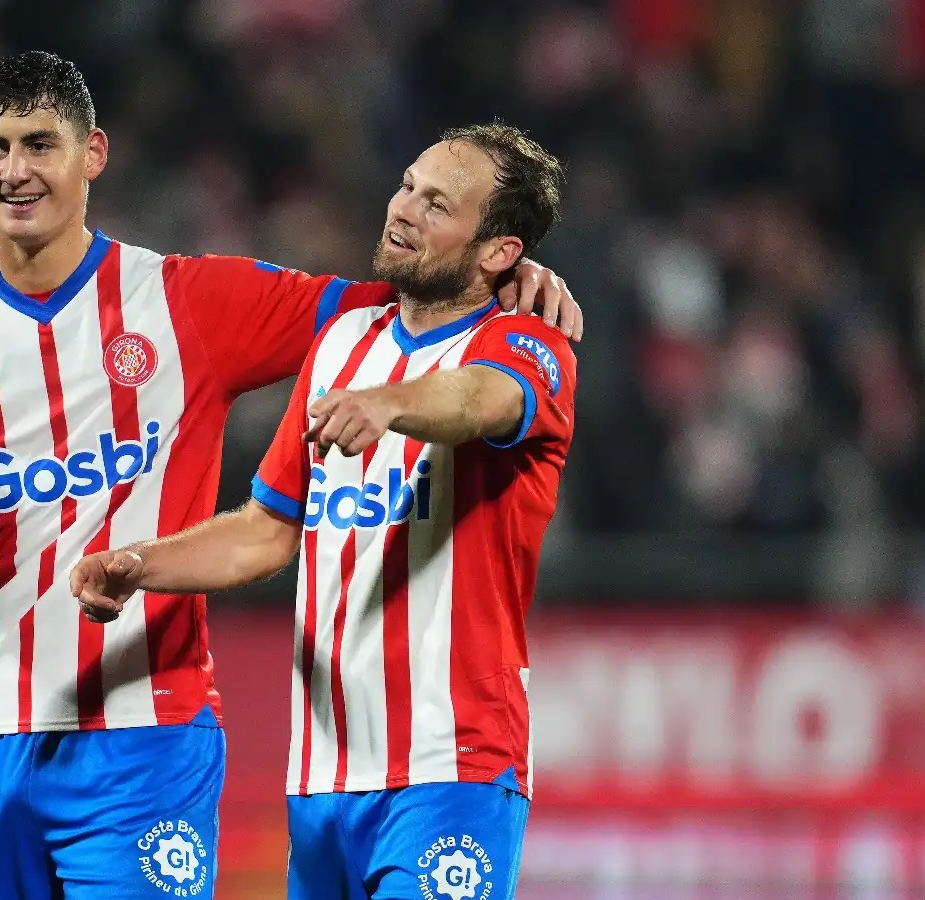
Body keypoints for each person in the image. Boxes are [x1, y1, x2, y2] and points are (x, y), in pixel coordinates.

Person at [0, 50, 581, 899]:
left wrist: (516, 287)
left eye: (41, 144)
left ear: (94, 154)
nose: (17, 171)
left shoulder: (188, 303)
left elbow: (425, 326)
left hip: (153, 731)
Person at [71, 124, 572, 900]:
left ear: (498, 252)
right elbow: (267, 531)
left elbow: (479, 398)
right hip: (321, 779)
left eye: (437, 204)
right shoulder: (342, 344)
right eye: (407, 184)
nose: (402, 210)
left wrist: (390, 406)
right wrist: (141, 564)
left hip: (453, 766)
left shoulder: (528, 345)